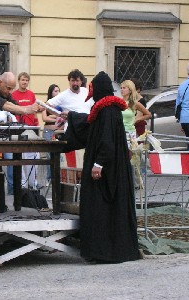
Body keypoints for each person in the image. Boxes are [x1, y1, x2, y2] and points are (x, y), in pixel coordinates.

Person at [79, 71, 140, 263]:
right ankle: (114, 250)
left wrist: (98, 164)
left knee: (102, 208)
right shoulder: (111, 110)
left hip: (106, 170)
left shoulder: (106, 111)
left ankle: (103, 251)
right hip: (114, 168)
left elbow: (106, 141)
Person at [11, 72, 40, 189]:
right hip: (18, 128)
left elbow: (34, 111)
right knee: (20, 155)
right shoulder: (14, 95)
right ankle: (22, 184)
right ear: (19, 81)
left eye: (27, 80)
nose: (25, 82)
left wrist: (36, 124)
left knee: (32, 155)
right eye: (23, 80)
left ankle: (32, 183)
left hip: (31, 128)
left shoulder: (31, 94)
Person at [41, 84, 61, 185]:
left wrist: (55, 116)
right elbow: (44, 118)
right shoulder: (46, 104)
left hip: (58, 132)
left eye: (58, 91)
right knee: (49, 156)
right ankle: (49, 178)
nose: (57, 93)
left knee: (59, 156)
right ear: (51, 92)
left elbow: (63, 117)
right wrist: (55, 116)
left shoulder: (61, 105)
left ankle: (57, 178)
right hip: (48, 131)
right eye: (55, 91)